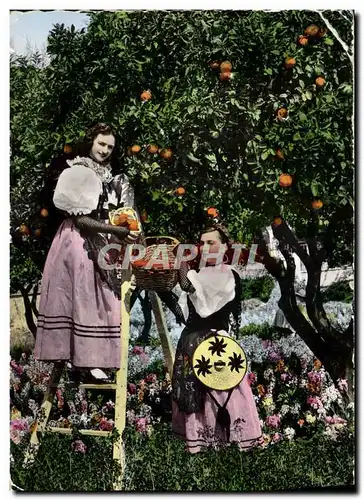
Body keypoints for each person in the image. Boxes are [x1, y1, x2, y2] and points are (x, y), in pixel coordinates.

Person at [34, 123, 140, 380]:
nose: (104, 150)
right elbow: (81, 220)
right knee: (83, 296)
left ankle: (91, 359)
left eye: (110, 147)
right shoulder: (79, 170)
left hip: (101, 240)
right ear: (91, 142)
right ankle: (79, 358)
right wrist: (115, 232)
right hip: (77, 241)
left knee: (99, 297)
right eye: (101, 144)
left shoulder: (111, 176)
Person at [171, 221, 263, 453]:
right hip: (190, 343)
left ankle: (225, 448)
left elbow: (203, 306)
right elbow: (183, 313)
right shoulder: (200, 275)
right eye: (201, 243)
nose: (204, 247)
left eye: (210, 242)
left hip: (215, 347)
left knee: (220, 394)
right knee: (197, 399)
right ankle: (201, 449)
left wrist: (181, 262)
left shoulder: (225, 275)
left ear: (224, 248)